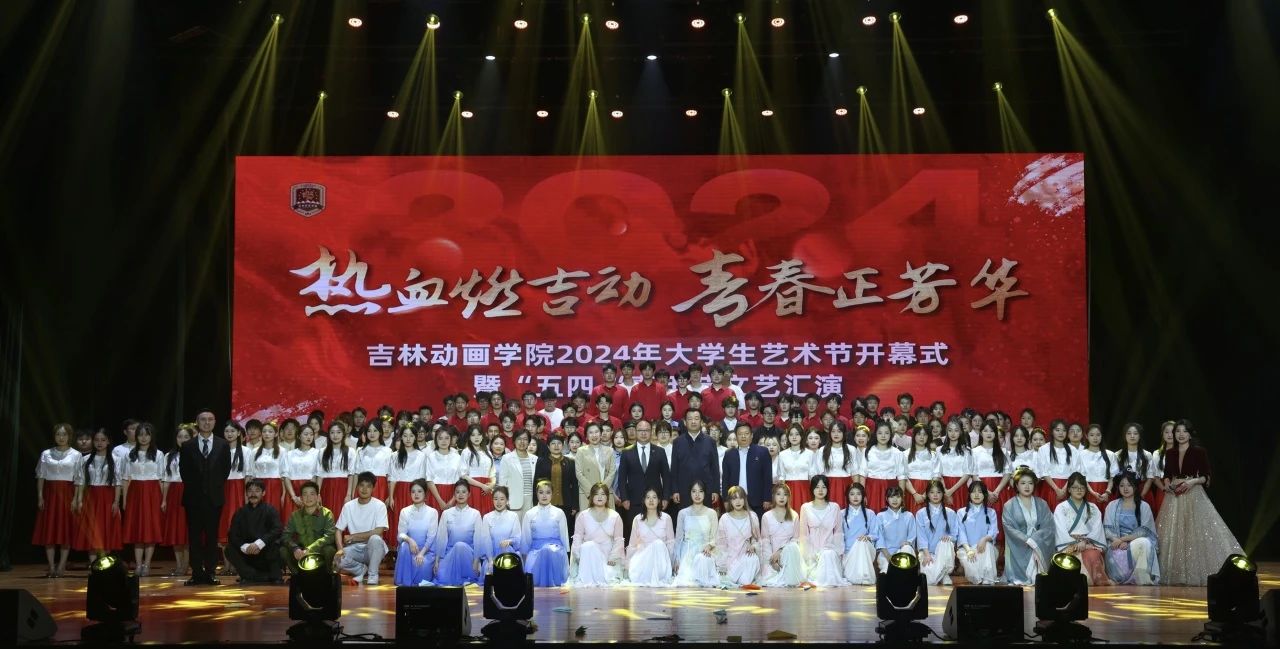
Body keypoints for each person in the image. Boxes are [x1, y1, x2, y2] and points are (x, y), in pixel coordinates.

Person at [1156, 419, 1243, 586]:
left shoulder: (1199, 451)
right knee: (1174, 534)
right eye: (1178, 431)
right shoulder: (1170, 452)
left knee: (1195, 531)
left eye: (1184, 431)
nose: (1181, 434)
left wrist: (1192, 482)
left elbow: (1205, 475)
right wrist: (1167, 483)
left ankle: (1200, 573)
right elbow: (1166, 474)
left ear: (1190, 434)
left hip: (1193, 492)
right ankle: (1175, 574)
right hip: (1174, 496)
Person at [33, 423, 80, 578]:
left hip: (67, 494)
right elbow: (41, 476)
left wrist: (75, 499)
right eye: (58, 434)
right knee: (50, 530)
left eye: (64, 434)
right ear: (54, 436)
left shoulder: (76, 455)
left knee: (65, 531)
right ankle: (51, 566)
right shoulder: (46, 453)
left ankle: (61, 565)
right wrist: (40, 496)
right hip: (50, 494)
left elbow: (79, 479)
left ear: (69, 436)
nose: (61, 437)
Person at [72, 429, 123, 562]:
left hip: (107, 497)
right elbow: (81, 481)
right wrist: (79, 500)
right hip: (91, 497)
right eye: (96, 440)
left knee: (106, 530)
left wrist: (116, 501)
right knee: (92, 531)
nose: (99, 443)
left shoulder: (116, 459)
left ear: (108, 441)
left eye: (103, 440)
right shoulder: (86, 459)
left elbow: (118, 482)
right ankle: (94, 565)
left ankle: (105, 565)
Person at [1053, 472, 1111, 586]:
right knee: (1071, 558)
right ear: (1069, 489)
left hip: (1088, 544)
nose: (1079, 490)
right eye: (1075, 487)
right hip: (1068, 545)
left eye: (1082, 487)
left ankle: (1093, 581)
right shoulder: (1061, 508)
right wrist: (1075, 545)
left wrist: (1085, 542)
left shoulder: (1093, 508)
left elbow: (1097, 529)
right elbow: (1060, 530)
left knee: (1093, 555)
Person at [616, 419, 670, 541]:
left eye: (646, 430)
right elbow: (622, 478)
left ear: (651, 432)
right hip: (633, 501)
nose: (643, 433)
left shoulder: (660, 452)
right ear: (635, 432)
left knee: (655, 533)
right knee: (634, 535)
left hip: (655, 501)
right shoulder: (626, 452)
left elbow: (666, 477)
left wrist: (666, 497)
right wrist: (624, 498)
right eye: (640, 430)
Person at [123, 422, 165, 577]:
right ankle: (138, 564)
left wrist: (163, 499)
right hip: (135, 493)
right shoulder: (130, 454)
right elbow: (125, 478)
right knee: (137, 530)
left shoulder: (158, 454)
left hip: (152, 492)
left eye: (147, 434)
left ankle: (147, 564)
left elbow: (161, 478)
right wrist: (125, 500)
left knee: (150, 529)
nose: (143, 437)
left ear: (151, 436)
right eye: (140, 434)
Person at [1103, 472, 1160, 585]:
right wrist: (1118, 542)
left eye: (1129, 485)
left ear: (1135, 487)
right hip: (1116, 546)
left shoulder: (1144, 506)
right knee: (1134, 546)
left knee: (1144, 542)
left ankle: (1142, 577)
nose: (1125, 488)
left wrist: (1125, 540)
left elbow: (1144, 531)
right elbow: (1107, 530)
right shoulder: (1112, 506)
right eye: (1122, 485)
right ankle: (1122, 576)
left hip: (1136, 545)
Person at [1002, 468, 1056, 586]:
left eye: (1030, 483)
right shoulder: (1009, 505)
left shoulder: (1042, 503)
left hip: (1039, 544)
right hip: (1020, 545)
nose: (1027, 486)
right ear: (1016, 485)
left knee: (1041, 580)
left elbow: (1049, 526)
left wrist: (1036, 539)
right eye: (1023, 483)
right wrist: (1027, 539)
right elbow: (1009, 528)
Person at [335, 472, 390, 585]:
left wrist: (354, 537)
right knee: (338, 560)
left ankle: (373, 574)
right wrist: (340, 549)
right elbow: (338, 530)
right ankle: (361, 570)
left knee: (375, 539)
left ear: (373, 488)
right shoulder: (349, 506)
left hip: (373, 548)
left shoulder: (379, 505)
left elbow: (379, 531)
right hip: (355, 548)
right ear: (357, 486)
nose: (364, 489)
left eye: (368, 486)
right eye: (361, 485)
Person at [225, 479, 283, 584]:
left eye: (257, 491)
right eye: (250, 491)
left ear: (263, 493)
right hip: (247, 553)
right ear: (246, 494)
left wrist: (259, 544)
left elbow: (277, 529)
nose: (253, 494)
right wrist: (245, 547)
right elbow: (232, 534)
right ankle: (255, 576)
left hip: (265, 552)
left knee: (277, 545)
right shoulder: (240, 512)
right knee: (229, 549)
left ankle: (262, 576)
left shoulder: (270, 510)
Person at [571, 482, 625, 587]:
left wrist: (612, 558)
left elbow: (618, 540)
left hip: (608, 557)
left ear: (607, 497)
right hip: (588, 557)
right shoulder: (583, 516)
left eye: (603, 494)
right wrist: (578, 557)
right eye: (596, 494)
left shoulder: (615, 516)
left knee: (608, 577)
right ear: (591, 497)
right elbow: (577, 538)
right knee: (589, 545)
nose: (600, 497)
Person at [434, 481, 488, 586]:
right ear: (454, 495)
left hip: (470, 557)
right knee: (440, 577)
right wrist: (437, 560)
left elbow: (478, 540)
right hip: (450, 554)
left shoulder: (475, 514)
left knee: (460, 546)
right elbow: (441, 538)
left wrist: (476, 561)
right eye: (457, 492)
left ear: (469, 494)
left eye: (464, 492)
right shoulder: (446, 513)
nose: (460, 494)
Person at [670, 410, 721, 518]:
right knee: (685, 521)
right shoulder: (678, 442)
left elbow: (715, 468)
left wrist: (715, 490)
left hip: (705, 490)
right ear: (685, 422)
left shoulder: (710, 441)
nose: (693, 421)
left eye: (696, 418)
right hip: (683, 490)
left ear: (701, 422)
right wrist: (675, 490)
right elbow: (674, 469)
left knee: (705, 521)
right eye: (690, 419)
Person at [280, 481, 338, 575]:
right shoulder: (295, 515)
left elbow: (330, 537)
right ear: (301, 498)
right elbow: (285, 536)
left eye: (312, 494)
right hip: (301, 553)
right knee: (283, 550)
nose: (308, 497)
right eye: (305, 494)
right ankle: (297, 575)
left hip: (320, 552)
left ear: (318, 497)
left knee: (329, 550)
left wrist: (310, 549)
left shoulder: (327, 513)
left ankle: (328, 576)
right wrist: (295, 548)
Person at [796, 474, 845, 587]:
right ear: (812, 489)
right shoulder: (805, 507)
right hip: (812, 554)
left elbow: (838, 533)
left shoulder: (834, 507)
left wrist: (838, 553)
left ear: (828, 489)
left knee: (827, 555)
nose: (820, 490)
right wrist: (809, 555)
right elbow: (804, 535)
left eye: (824, 487)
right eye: (817, 487)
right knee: (815, 576)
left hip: (830, 551)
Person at [522, 480, 570, 587]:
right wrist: (526, 555)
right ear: (536, 494)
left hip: (556, 550)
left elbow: (564, 535)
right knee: (543, 552)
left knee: (548, 550)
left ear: (552, 494)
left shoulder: (559, 513)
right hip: (535, 550)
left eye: (548, 492)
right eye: (541, 492)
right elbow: (526, 538)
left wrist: (565, 555)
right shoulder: (529, 514)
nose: (544, 496)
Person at [672, 481, 719, 587]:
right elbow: (679, 539)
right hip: (687, 552)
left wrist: (710, 545)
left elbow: (715, 537)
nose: (697, 495)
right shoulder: (683, 513)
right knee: (687, 580)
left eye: (700, 491)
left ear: (705, 493)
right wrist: (677, 560)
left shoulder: (711, 513)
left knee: (702, 560)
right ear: (690, 493)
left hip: (705, 551)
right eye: (694, 491)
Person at [626, 488, 676, 587]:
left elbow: (671, 543)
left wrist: (671, 563)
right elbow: (632, 545)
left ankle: (659, 576)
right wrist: (627, 563)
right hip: (643, 560)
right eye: (648, 497)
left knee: (658, 544)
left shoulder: (666, 518)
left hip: (661, 560)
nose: (651, 500)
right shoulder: (637, 519)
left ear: (659, 500)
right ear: (644, 501)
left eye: (654, 497)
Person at [393, 479, 439, 586]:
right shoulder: (405, 511)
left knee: (422, 571)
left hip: (426, 552)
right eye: (413, 491)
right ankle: (404, 582)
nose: (416, 494)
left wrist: (421, 554)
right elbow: (400, 535)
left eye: (419, 491)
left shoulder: (432, 512)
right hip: (409, 551)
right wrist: (409, 540)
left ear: (425, 493)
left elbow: (431, 537)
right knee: (404, 545)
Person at [721, 423, 772, 518]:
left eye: (746, 433)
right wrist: (726, 500)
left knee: (756, 526)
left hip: (757, 501)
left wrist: (767, 498)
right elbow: (725, 479)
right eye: (740, 434)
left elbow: (767, 477)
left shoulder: (762, 452)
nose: (743, 436)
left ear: (751, 435)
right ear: (736, 436)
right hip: (735, 500)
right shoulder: (729, 454)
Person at [759, 484, 805, 587]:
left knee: (792, 548)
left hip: (789, 555)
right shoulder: (766, 516)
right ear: (773, 496)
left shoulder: (794, 515)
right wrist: (771, 560)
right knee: (770, 578)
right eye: (778, 494)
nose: (782, 497)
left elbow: (796, 539)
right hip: (771, 557)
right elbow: (765, 541)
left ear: (789, 497)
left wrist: (781, 551)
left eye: (785, 494)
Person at [534, 435, 579, 537]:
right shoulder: (541, 461)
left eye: (559, 443)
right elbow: (536, 484)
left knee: (566, 533)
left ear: (563, 445)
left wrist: (575, 505)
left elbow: (574, 485)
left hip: (566, 504)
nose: (556, 446)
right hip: (546, 503)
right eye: (553, 443)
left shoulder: (570, 462)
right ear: (548, 446)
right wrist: (536, 503)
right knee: (547, 532)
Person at [161, 425, 191, 577]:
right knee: (175, 531)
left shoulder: (196, 454)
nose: (183, 440)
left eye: (186, 437)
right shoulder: (169, 456)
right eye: (180, 437)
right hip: (173, 493)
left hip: (190, 492)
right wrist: (164, 500)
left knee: (187, 531)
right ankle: (179, 565)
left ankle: (186, 565)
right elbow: (166, 479)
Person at [915, 480, 958, 585]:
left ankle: (945, 574)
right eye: (932, 492)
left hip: (943, 553)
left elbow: (955, 534)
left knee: (945, 542)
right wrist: (926, 555)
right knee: (930, 581)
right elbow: (921, 536)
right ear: (927, 494)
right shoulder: (921, 513)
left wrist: (949, 538)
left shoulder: (951, 513)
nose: (935, 495)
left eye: (938, 492)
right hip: (928, 553)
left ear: (943, 494)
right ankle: (940, 574)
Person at [716, 485, 761, 586]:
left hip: (747, 560)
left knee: (752, 559)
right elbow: (721, 546)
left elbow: (758, 540)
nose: (738, 501)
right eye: (734, 498)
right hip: (731, 563)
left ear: (745, 499)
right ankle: (734, 580)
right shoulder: (724, 518)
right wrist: (722, 568)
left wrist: (753, 546)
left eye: (741, 498)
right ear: (730, 501)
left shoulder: (752, 517)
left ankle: (744, 581)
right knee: (731, 580)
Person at [957, 482, 999, 585]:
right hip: (967, 550)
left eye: (980, 492)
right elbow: (961, 533)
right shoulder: (961, 512)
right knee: (975, 576)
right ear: (969, 494)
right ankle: (983, 578)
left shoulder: (991, 512)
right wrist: (968, 550)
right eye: (973, 492)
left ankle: (988, 579)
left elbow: (993, 531)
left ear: (984, 495)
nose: (976, 495)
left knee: (988, 546)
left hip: (985, 550)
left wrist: (984, 539)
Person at [841, 482, 879, 585]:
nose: (855, 497)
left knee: (861, 542)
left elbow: (875, 534)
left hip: (866, 549)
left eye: (858, 494)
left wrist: (867, 537)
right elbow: (839, 536)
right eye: (852, 494)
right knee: (851, 577)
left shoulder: (870, 513)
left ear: (863, 496)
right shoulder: (841, 514)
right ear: (847, 496)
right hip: (848, 552)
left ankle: (865, 576)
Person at [861, 423, 905, 512]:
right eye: (880, 433)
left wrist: (901, 497)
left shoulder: (897, 453)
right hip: (871, 489)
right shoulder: (868, 451)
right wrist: (862, 494)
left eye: (886, 433)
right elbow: (862, 475)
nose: (883, 436)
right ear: (875, 434)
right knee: (871, 515)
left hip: (891, 490)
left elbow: (901, 477)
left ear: (891, 435)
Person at [811, 424, 857, 509]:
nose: (836, 434)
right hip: (828, 485)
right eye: (833, 431)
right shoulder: (822, 450)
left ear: (844, 433)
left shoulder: (851, 449)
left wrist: (856, 490)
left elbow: (855, 472)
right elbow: (818, 472)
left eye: (839, 431)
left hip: (845, 484)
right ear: (829, 433)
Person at [574, 423, 617, 512]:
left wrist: (602, 491)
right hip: (587, 494)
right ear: (586, 436)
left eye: (596, 432)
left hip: (606, 493)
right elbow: (579, 473)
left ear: (601, 434)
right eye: (591, 432)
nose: (594, 435)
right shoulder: (581, 451)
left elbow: (612, 472)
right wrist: (593, 492)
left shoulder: (610, 451)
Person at [1036, 420, 1079, 510]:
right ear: (1052, 431)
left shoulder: (1073, 450)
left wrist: (1064, 490)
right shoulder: (1043, 449)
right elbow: (1043, 472)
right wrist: (1056, 489)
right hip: (1049, 487)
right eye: (1057, 430)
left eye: (1064, 430)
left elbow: (1075, 471)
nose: (1061, 433)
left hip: (1068, 487)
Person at [282, 425, 320, 524]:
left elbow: (317, 475)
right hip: (292, 490)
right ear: (299, 436)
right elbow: (286, 476)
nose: (309, 437)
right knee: (292, 522)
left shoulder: (317, 453)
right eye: (306, 434)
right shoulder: (290, 454)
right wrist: (294, 497)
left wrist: (309, 494)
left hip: (310, 490)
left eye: (311, 434)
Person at [875, 486, 917, 573]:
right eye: (891, 497)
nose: (895, 500)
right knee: (888, 572)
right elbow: (879, 539)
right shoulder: (880, 516)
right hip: (886, 554)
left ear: (902, 498)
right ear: (887, 499)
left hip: (903, 552)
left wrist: (908, 543)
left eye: (898, 497)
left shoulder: (909, 516)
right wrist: (888, 556)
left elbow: (912, 536)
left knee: (907, 549)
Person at [496, 429, 536, 518]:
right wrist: (505, 500)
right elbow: (502, 483)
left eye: (525, 439)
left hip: (531, 501)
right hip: (513, 501)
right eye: (519, 439)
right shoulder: (507, 458)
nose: (522, 442)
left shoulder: (535, 459)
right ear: (514, 441)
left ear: (529, 441)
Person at [481, 487, 522, 572]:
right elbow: (486, 541)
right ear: (492, 500)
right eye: (496, 499)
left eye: (502, 499)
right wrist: (490, 560)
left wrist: (509, 541)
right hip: (492, 556)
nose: (498, 502)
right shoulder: (487, 517)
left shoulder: (513, 516)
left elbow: (518, 539)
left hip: (509, 555)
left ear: (507, 500)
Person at [460, 426, 496, 516]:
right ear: (469, 437)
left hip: (487, 490)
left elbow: (492, 473)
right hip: (473, 488)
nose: (476, 437)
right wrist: (482, 486)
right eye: (473, 435)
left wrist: (491, 484)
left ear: (482, 436)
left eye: (479, 434)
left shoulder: (488, 452)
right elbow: (463, 475)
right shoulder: (466, 452)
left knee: (487, 516)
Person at [1079, 425, 1119, 505]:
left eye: (1098, 435)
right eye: (1092, 435)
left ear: (1101, 436)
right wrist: (1092, 492)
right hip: (1087, 491)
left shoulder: (1110, 454)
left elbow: (1113, 476)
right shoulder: (1081, 454)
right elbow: (1081, 477)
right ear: (1086, 436)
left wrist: (1107, 492)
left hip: (1107, 492)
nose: (1095, 438)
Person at [904, 426, 940, 514]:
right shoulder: (905, 454)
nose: (922, 437)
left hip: (929, 490)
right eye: (919, 434)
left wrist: (926, 493)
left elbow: (936, 476)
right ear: (914, 436)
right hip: (910, 490)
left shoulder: (933, 455)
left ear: (928, 437)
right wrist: (914, 493)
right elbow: (903, 476)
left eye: (925, 435)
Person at [317, 423, 354, 510]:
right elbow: (320, 474)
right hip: (327, 487)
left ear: (343, 434)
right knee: (326, 513)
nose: (335, 435)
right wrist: (318, 494)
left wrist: (348, 494)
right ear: (329, 435)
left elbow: (351, 474)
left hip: (343, 487)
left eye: (338, 432)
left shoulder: (351, 451)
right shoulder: (322, 451)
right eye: (332, 432)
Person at [938, 418, 973, 508]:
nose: (953, 433)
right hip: (942, 487)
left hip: (960, 487)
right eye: (950, 430)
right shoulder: (939, 450)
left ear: (961, 432)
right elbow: (937, 472)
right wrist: (945, 490)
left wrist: (951, 491)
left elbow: (967, 473)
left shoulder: (967, 451)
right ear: (946, 431)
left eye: (956, 430)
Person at [777, 426, 814, 509]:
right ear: (788, 437)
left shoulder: (809, 453)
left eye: (797, 434)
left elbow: (812, 475)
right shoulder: (782, 454)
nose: (794, 437)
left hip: (805, 488)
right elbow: (781, 475)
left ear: (802, 436)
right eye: (791, 434)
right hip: (788, 489)